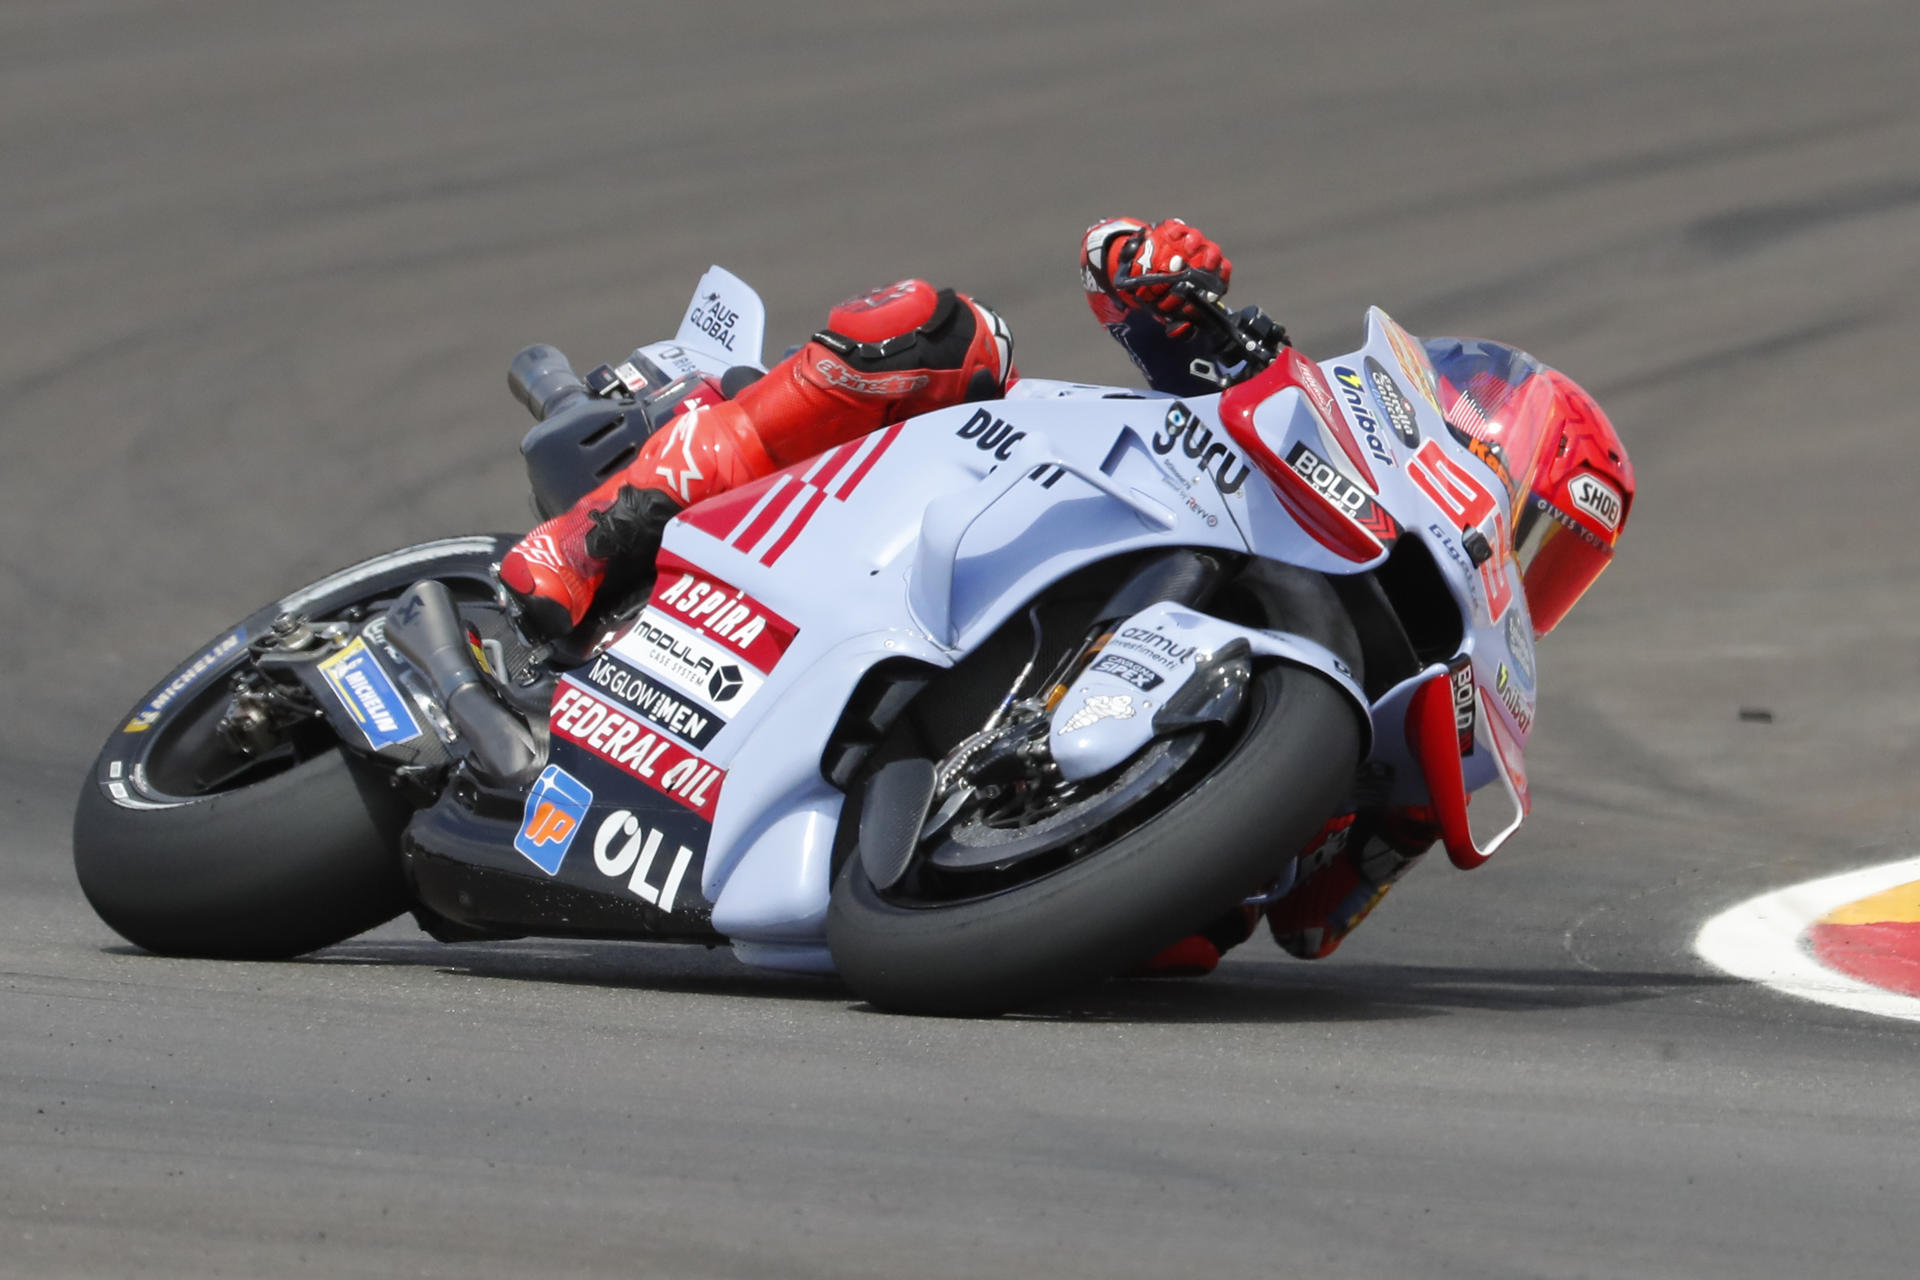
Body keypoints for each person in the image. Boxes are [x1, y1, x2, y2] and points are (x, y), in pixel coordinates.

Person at [497, 216, 1634, 975]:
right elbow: (1119, 272)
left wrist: (1368, 834)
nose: (1527, 571)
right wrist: (1158, 267)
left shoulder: (1443, 734)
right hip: (968, 499)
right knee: (938, 327)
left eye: (1557, 563)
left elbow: (1306, 928)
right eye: (1533, 527)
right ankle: (596, 536)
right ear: (1472, 429)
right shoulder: (1290, 405)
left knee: (1189, 951)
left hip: (1043, 903)